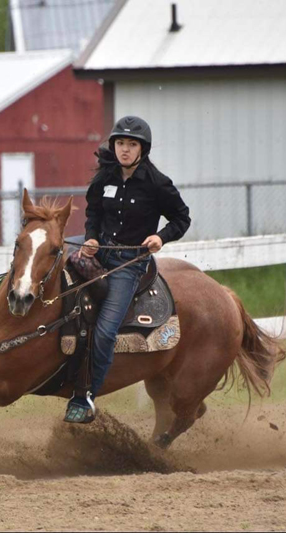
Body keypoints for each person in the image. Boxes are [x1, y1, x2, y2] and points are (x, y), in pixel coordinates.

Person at [64, 115, 191, 424]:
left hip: (129, 264)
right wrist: (91, 236)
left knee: (106, 331)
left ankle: (86, 396)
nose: (124, 149)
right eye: (120, 143)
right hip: (100, 250)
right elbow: (93, 211)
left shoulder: (157, 183)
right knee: (52, 276)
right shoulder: (105, 176)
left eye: (131, 144)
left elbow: (181, 218)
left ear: (142, 149)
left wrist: (160, 237)